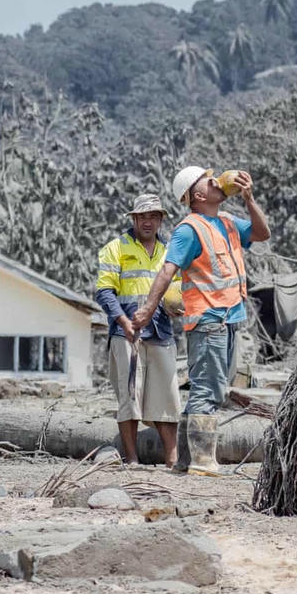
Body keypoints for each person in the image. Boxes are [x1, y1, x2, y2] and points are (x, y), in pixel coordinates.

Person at [132, 166, 270, 475]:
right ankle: (202, 461)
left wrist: (249, 199)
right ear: (198, 195)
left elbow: (262, 234)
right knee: (208, 391)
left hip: (229, 318)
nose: (216, 180)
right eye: (209, 180)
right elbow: (167, 271)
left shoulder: (227, 222)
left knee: (210, 389)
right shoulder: (189, 230)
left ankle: (185, 461)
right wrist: (148, 309)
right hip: (208, 320)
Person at [95, 193, 183, 465]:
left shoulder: (169, 251)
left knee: (168, 397)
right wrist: (123, 321)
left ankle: (172, 460)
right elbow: (104, 291)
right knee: (129, 397)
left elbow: (177, 289)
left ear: (160, 220)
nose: (148, 222)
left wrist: (178, 305)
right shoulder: (116, 248)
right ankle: (131, 459)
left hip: (161, 331)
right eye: (142, 216)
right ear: (134, 219)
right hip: (127, 333)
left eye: (153, 216)